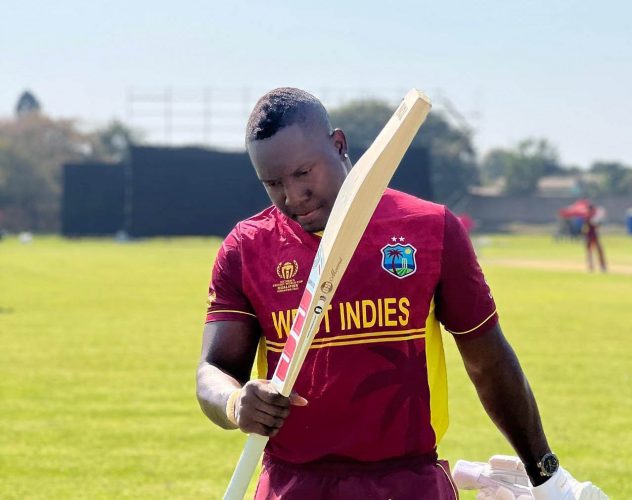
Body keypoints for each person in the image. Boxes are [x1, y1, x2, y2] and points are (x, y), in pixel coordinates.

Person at [196, 88, 605, 499]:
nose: (291, 196)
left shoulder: (429, 228)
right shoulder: (246, 248)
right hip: (293, 483)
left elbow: (488, 360)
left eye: (303, 173)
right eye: (272, 183)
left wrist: (547, 475)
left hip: (408, 482)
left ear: (338, 144)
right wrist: (235, 402)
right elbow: (212, 371)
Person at [583, 204, 607, 272]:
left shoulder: (592, 216)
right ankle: (591, 265)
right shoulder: (588, 216)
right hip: (590, 236)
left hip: (594, 236)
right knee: (590, 251)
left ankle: (602, 266)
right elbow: (588, 226)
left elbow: (596, 225)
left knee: (598, 251)